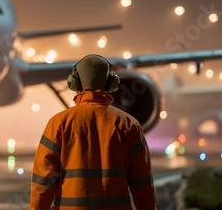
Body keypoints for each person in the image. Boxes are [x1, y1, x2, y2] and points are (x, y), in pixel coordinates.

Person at [30, 54, 156, 210]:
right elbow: (142, 183)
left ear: (75, 82)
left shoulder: (58, 123)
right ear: (111, 83)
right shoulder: (129, 125)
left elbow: (43, 180)